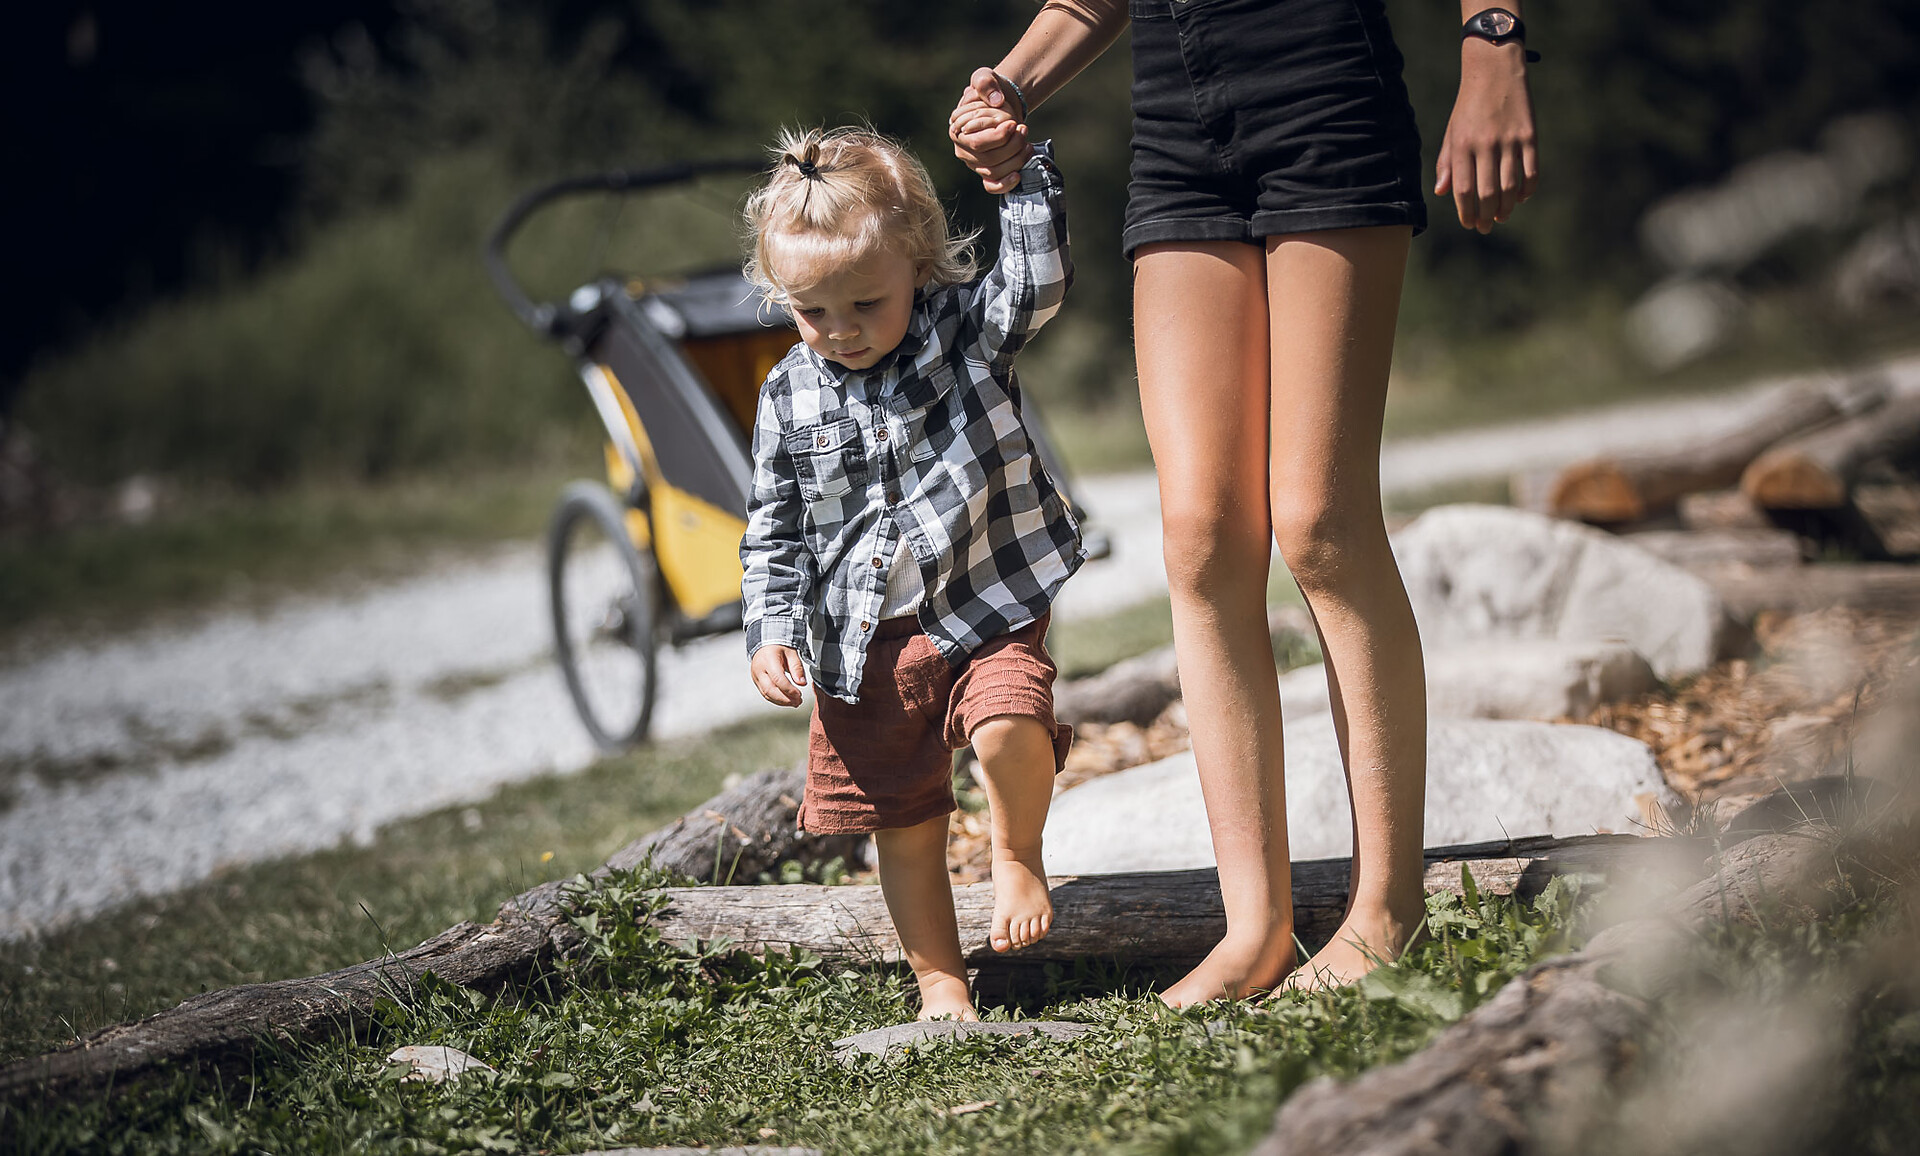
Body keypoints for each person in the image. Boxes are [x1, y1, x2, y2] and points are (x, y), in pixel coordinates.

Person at [950, 0, 1538, 1005]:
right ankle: (1254, 927)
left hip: (1324, 93)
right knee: (1202, 535)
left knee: (1319, 521)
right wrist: (1011, 83)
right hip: (1178, 125)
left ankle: (1387, 909)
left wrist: (1492, 46)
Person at [739, 124, 1084, 1021]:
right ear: (783, 298)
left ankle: (1017, 855)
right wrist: (771, 628)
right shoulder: (786, 395)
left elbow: (1036, 286)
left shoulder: (964, 333)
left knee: (1010, 719)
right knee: (905, 820)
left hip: (983, 601)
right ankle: (941, 984)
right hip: (864, 647)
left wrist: (1020, 184)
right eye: (815, 312)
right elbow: (773, 527)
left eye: (868, 304)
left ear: (920, 267)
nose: (843, 332)